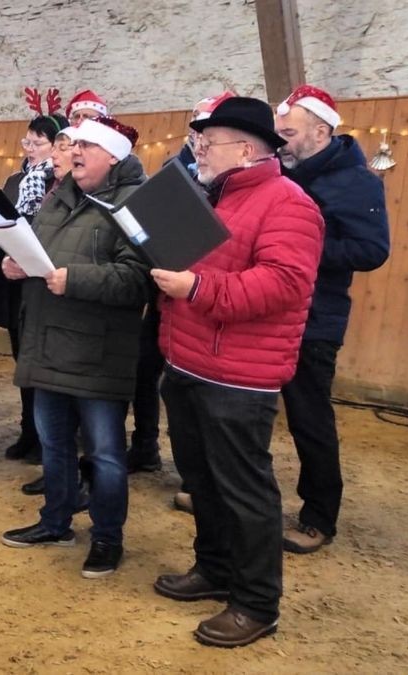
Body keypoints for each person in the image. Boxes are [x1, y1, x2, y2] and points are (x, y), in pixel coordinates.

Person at [151, 96, 324, 648]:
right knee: (201, 479)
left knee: (244, 491)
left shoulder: (288, 204)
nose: (199, 146)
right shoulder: (214, 198)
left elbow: (284, 284)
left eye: (211, 139)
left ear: (247, 149)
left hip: (238, 375)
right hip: (187, 359)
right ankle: (215, 568)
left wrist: (197, 288)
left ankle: (256, 603)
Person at [0, 117, 149, 583]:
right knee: (55, 443)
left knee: (105, 454)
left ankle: (107, 537)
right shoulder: (56, 199)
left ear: (114, 156)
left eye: (86, 144)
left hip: (99, 352)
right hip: (47, 340)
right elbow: (41, 255)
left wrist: (74, 278)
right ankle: (55, 522)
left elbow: (138, 279)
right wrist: (18, 264)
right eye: (72, 143)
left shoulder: (134, 206)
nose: (75, 150)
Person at [274, 86, 390, 554]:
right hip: (268, 310)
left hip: (315, 318)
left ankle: (319, 516)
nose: (279, 140)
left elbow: (371, 250)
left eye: (288, 132)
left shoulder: (357, 182)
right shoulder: (282, 172)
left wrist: (302, 249)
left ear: (321, 132)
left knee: (308, 418)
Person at [128, 92, 234, 518]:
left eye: (206, 128)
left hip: (207, 295)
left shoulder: (230, 181)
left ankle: (201, 480)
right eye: (194, 127)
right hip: (168, 291)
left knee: (203, 397)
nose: (198, 136)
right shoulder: (177, 168)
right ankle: (147, 445)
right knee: (151, 373)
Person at [0, 112, 70, 465]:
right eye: (27, 141)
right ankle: (28, 431)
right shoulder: (16, 180)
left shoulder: (55, 185)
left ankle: (46, 440)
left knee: (42, 368)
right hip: (13, 281)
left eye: (38, 143)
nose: (30, 149)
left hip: (44, 285)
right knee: (22, 364)